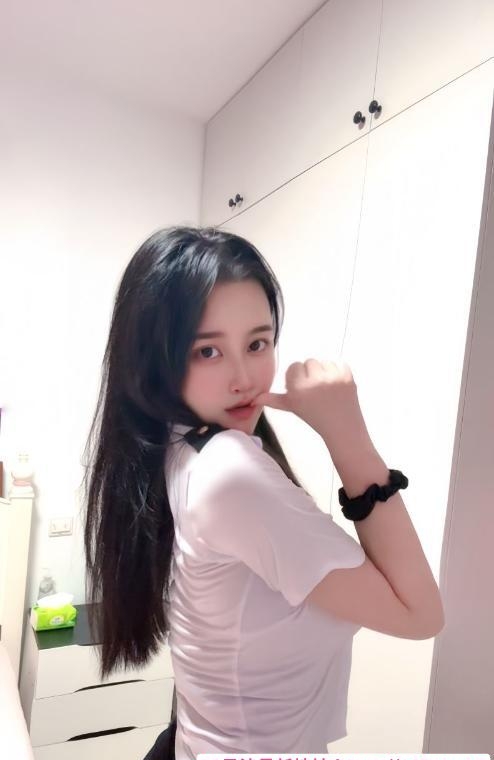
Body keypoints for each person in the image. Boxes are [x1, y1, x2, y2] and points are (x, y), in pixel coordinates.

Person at [82, 225, 445, 758]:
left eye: (257, 343)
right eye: (207, 351)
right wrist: (347, 433)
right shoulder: (230, 472)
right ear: (156, 360)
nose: (244, 378)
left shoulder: (175, 442)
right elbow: (421, 615)